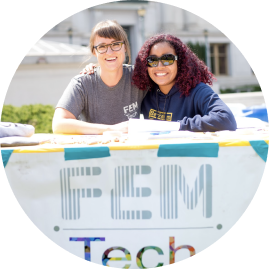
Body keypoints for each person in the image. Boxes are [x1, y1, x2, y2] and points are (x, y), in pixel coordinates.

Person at [52, 20, 147, 135]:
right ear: (94, 51)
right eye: (102, 47)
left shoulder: (139, 77)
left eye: (116, 44)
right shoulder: (82, 83)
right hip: (97, 151)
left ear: (125, 47)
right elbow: (58, 125)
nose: (110, 52)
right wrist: (111, 130)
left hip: (131, 151)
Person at [132, 34, 237, 132]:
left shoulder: (197, 91)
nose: (159, 66)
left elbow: (226, 120)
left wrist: (177, 126)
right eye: (152, 60)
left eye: (167, 59)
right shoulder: (145, 93)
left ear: (180, 62)